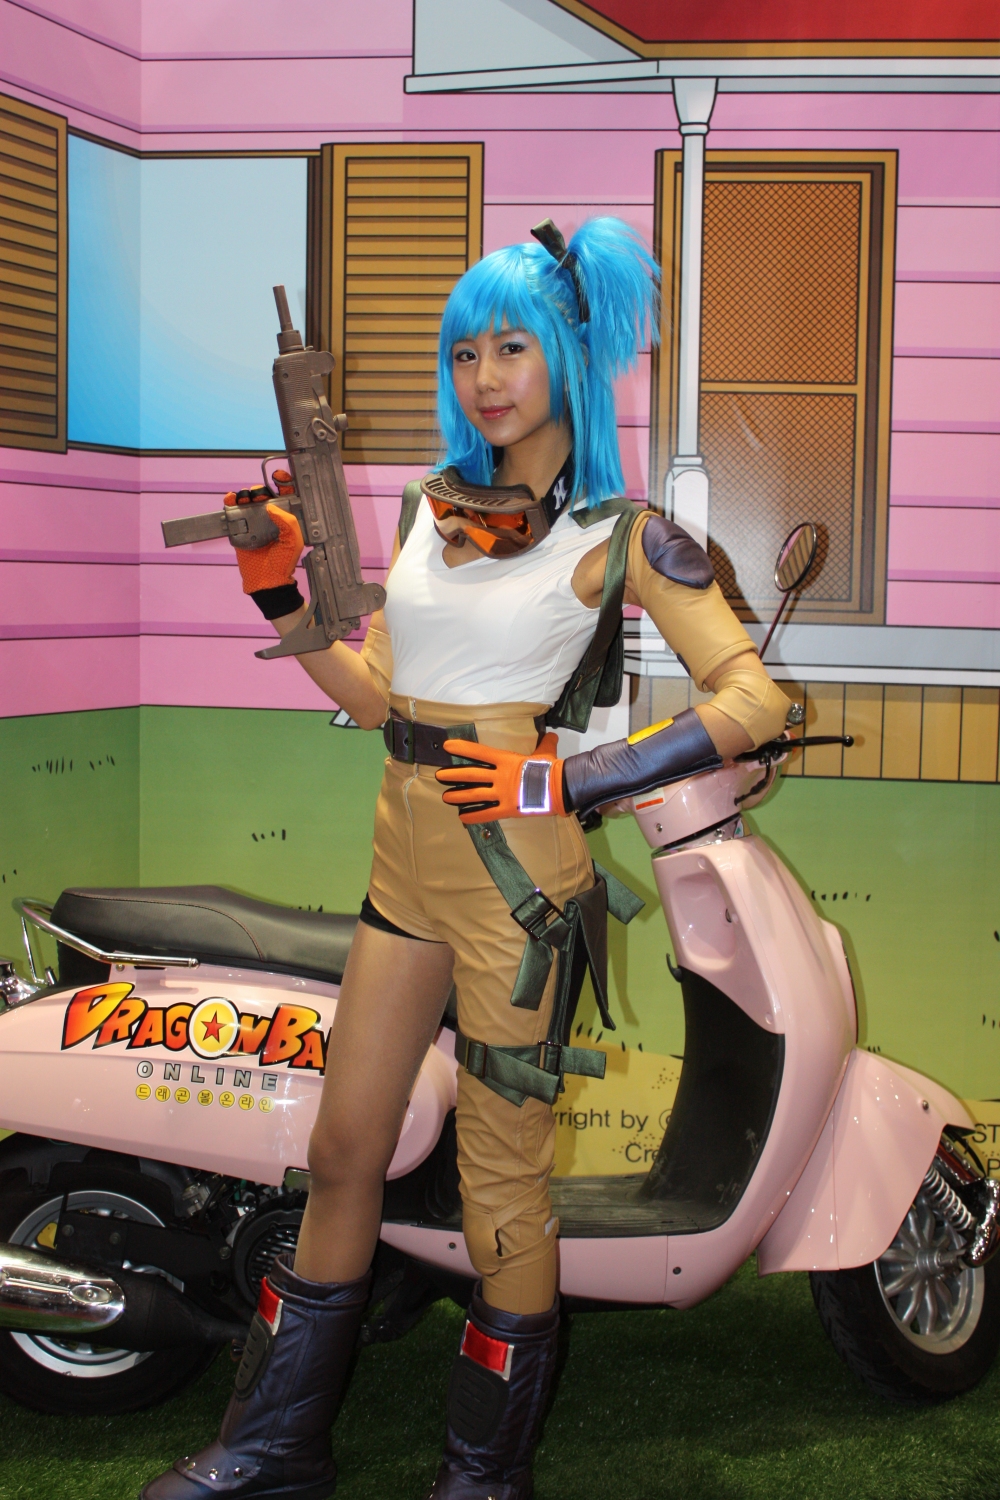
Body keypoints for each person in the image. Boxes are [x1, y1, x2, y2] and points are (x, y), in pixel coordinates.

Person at [143, 218, 789, 1500]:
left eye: (511, 348)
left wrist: (570, 777)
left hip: (516, 891)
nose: (484, 376)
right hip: (405, 872)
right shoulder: (428, 511)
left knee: (501, 1190)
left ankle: (483, 1480)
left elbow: (752, 700)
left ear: (568, 356)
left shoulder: (621, 533)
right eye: (463, 352)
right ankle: (274, 1448)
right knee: (344, 1154)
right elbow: (381, 699)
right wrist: (278, 594)